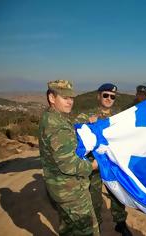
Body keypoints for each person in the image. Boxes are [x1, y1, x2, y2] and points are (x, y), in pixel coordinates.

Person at [39, 80, 100, 235]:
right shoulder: (57, 126)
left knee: (68, 229)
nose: (70, 101)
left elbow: (69, 131)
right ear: (52, 98)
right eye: (65, 97)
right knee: (89, 230)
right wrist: (94, 165)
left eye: (71, 97)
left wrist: (86, 120)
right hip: (71, 192)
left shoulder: (51, 117)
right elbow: (69, 165)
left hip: (60, 189)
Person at [78, 83, 132, 236]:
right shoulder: (86, 116)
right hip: (95, 165)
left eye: (112, 96)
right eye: (106, 95)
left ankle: (120, 223)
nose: (109, 98)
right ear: (99, 96)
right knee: (95, 198)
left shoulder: (118, 118)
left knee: (117, 194)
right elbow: (76, 132)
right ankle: (97, 227)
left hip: (112, 164)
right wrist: (88, 124)